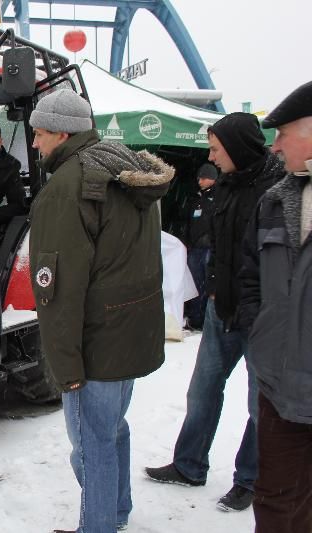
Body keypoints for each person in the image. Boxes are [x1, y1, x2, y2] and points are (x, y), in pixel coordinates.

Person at [27, 89, 173, 533]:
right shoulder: (122, 166)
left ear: (60, 131)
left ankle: (100, 525)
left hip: (96, 342)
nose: (34, 144)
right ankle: (117, 511)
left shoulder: (67, 187)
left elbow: (58, 292)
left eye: (37, 134)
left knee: (91, 444)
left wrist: (66, 367)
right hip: (129, 329)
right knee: (112, 429)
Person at [145, 112, 285, 512]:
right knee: (202, 390)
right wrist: (210, 291)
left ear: (238, 149)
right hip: (221, 310)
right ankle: (189, 465)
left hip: (262, 319)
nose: (211, 157)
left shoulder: (278, 188)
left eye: (215, 149)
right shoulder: (225, 184)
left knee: (260, 405)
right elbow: (219, 247)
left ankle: (251, 480)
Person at [239, 80, 312, 533]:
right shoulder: (275, 200)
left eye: (284, 133)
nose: (276, 144)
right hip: (279, 388)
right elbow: (249, 278)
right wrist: (259, 331)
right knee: (277, 503)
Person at [184, 163, 218, 329]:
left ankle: (204, 319)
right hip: (195, 248)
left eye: (203, 178)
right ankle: (194, 318)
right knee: (194, 283)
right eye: (199, 178)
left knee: (207, 284)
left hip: (210, 249)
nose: (200, 181)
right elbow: (189, 223)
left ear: (212, 178)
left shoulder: (219, 197)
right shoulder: (195, 198)